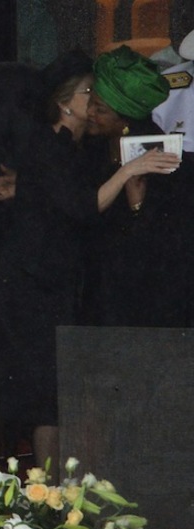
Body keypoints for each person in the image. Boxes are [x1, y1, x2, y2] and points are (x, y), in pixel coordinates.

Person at [0, 50, 180, 468]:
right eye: (90, 93)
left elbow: (65, 195)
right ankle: (50, 491)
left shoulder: (83, 148)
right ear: (66, 100)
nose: (95, 102)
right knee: (48, 394)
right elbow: (80, 204)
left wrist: (28, 188)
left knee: (61, 392)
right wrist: (125, 173)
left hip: (71, 284)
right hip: (36, 287)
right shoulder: (49, 144)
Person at [81, 45, 186, 328]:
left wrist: (136, 205)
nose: (89, 112)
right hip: (95, 285)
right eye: (91, 100)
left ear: (124, 120)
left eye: (100, 109)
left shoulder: (161, 156)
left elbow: (166, 244)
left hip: (143, 298)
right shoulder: (91, 147)